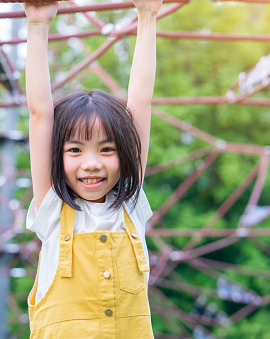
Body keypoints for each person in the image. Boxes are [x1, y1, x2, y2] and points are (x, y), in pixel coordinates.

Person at [24, 0, 162, 337]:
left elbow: (140, 100)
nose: (92, 164)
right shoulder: (52, 208)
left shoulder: (129, 206)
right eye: (75, 150)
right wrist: (39, 25)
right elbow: (40, 112)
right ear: (57, 156)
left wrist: (148, 15)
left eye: (107, 149)